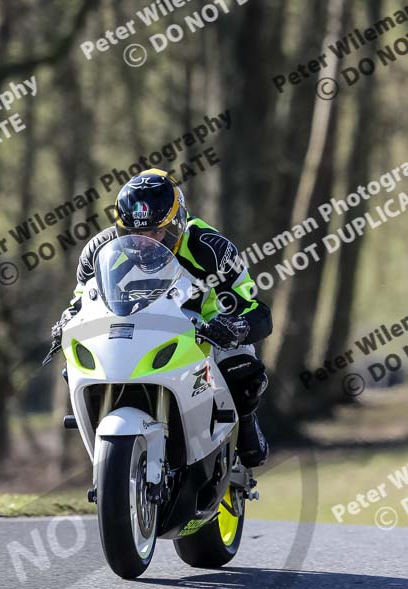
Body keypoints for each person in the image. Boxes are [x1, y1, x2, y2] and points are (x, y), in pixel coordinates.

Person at [47, 169, 272, 468]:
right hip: (133, 330)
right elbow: (80, 302)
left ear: (177, 223)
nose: (143, 241)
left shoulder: (212, 249)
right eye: (133, 232)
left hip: (205, 331)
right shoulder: (98, 251)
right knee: (74, 365)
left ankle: (245, 421)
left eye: (155, 231)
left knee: (242, 368)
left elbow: (253, 307)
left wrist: (235, 326)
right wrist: (66, 322)